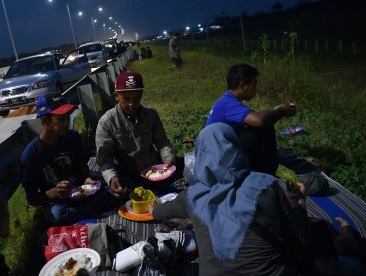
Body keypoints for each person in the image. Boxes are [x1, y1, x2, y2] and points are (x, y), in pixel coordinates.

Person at [151, 123, 312, 275]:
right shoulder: (266, 185)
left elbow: (160, 212)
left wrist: (153, 209)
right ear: (236, 149)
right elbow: (300, 241)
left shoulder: (191, 196)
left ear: (200, 155)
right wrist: (299, 202)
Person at [20, 94, 123, 226]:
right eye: (61, 119)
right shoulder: (31, 156)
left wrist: (87, 179)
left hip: (83, 191)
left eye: (68, 117)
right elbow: (32, 199)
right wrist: (54, 193)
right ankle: (94, 208)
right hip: (60, 202)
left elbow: (84, 167)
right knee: (57, 215)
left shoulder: (72, 137)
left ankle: (87, 210)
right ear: (45, 120)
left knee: (124, 184)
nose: (67, 123)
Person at [95, 71, 177, 196]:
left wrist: (168, 160)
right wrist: (112, 177)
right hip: (128, 176)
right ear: (116, 96)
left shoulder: (151, 115)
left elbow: (162, 142)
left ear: (141, 94)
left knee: (185, 175)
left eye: (136, 98)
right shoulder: (107, 122)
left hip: (154, 171)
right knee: (121, 194)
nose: (132, 104)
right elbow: (105, 158)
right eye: (126, 99)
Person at [205, 63, 296, 175]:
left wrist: (277, 111)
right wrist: (280, 110)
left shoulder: (226, 101)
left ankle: (264, 169)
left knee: (258, 125)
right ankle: (268, 171)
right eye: (254, 85)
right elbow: (258, 120)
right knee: (263, 128)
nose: (255, 89)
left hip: (219, 152)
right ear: (243, 85)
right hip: (219, 158)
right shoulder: (228, 103)